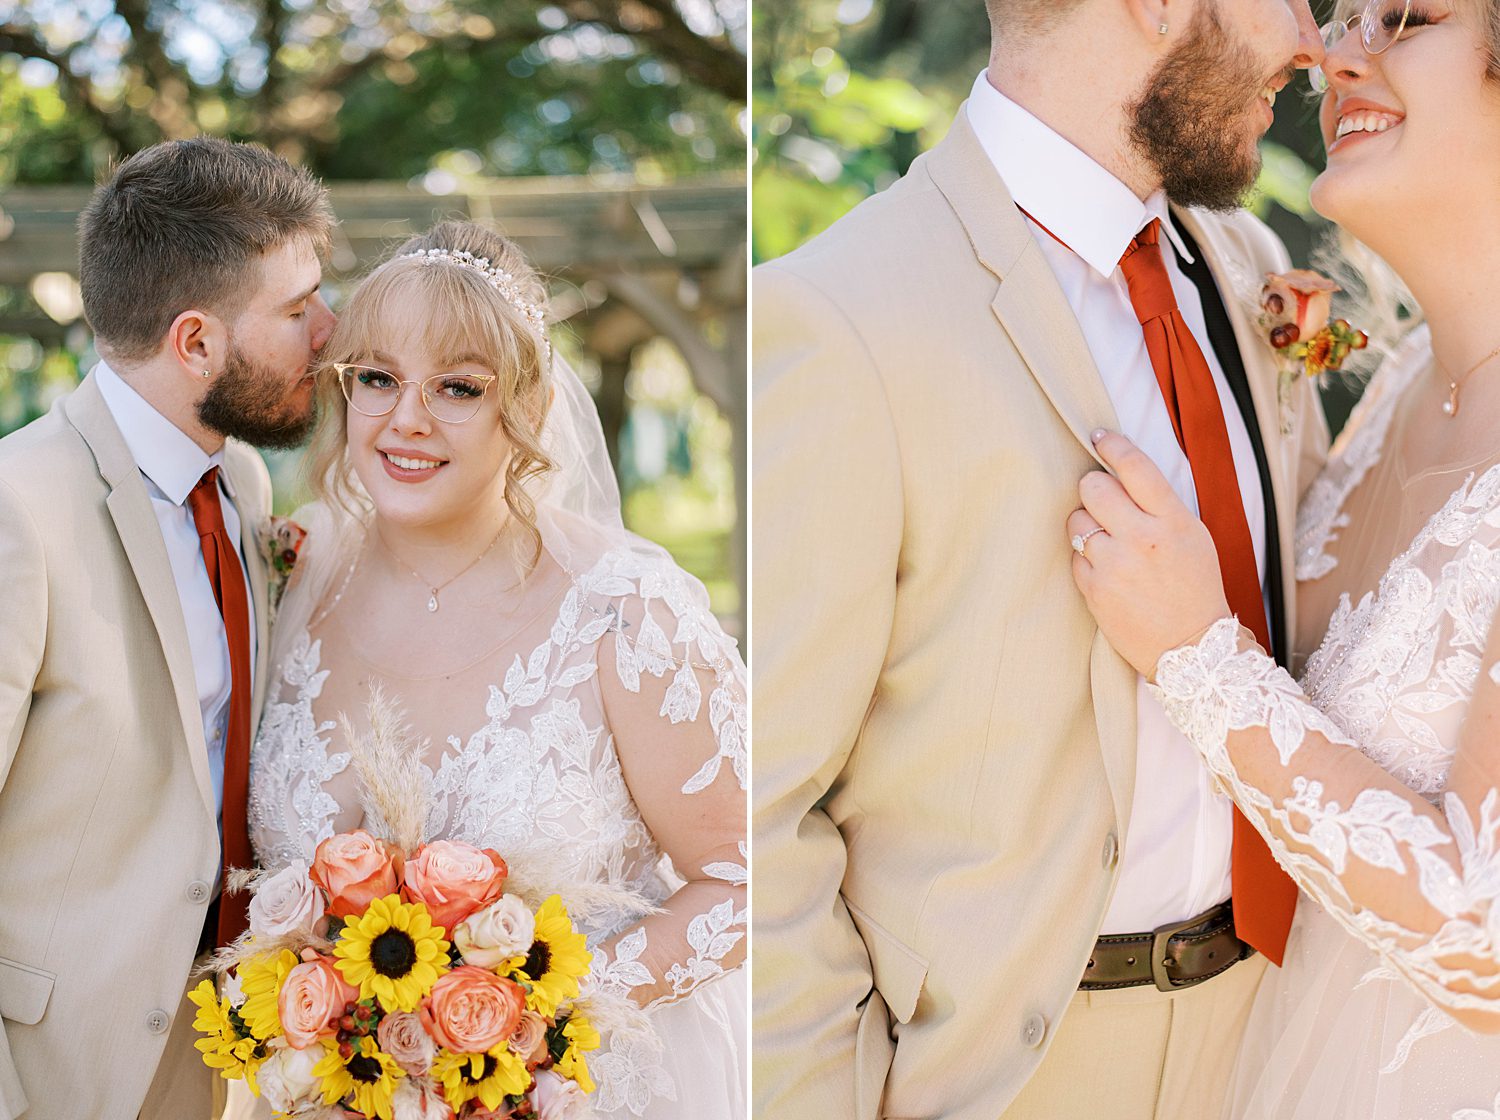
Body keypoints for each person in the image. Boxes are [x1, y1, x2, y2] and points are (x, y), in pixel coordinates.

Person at [753, 1, 1329, 1118]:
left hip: (1272, 1041)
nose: (1310, 36)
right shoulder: (838, 318)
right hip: (1012, 1072)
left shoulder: (1243, 265)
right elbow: (767, 804)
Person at [1070, 1, 1500, 1115]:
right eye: (1345, 17)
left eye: (1404, 16)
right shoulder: (1403, 383)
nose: (1335, 56)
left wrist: (1194, 653)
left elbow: (1487, 944)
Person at [243, 220, 748, 1119]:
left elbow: (745, 879)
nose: (408, 418)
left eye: (458, 388)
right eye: (376, 379)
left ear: (529, 401)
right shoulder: (290, 575)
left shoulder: (626, 613)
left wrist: (538, 1015)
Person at [0, 137, 335, 1120]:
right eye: (295, 307)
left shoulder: (243, 482)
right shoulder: (18, 509)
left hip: (213, 1059)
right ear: (195, 342)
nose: (330, 328)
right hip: (56, 1065)